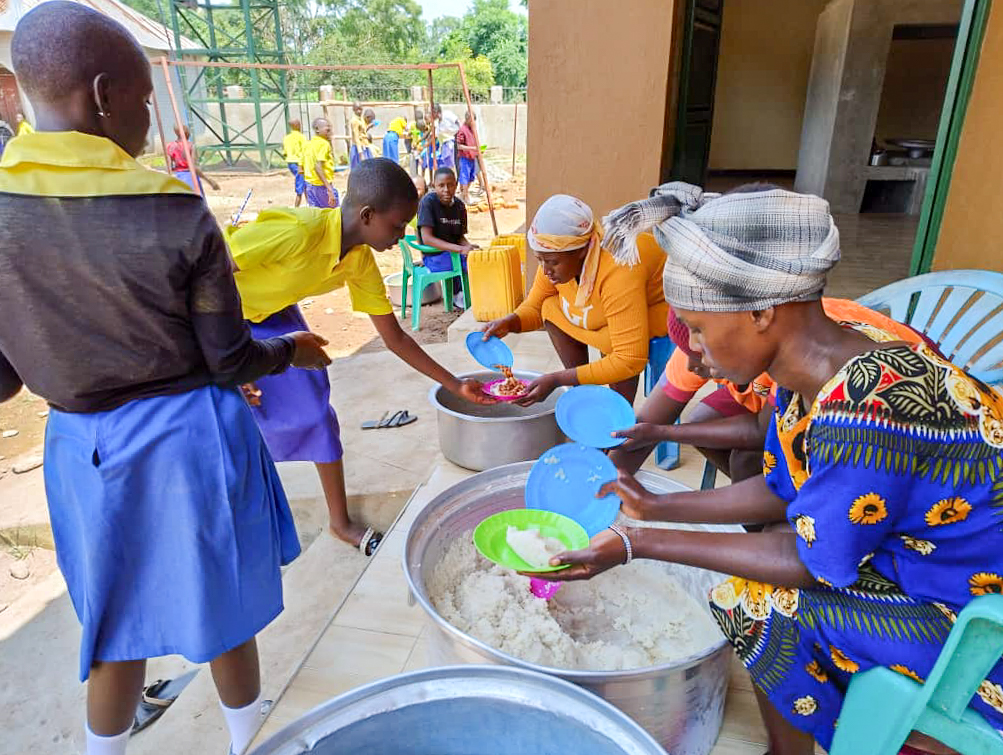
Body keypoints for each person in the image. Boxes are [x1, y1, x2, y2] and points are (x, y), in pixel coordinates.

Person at [542, 181, 1003, 755]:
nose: (697, 354)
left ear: (762, 311)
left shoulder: (869, 411)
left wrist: (638, 541)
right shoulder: (816, 369)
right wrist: (660, 505)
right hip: (924, 556)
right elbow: (785, 487)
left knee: (757, 605)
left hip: (977, 614)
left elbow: (810, 561)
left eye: (702, 330)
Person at [0, 5, 332, 755]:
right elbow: (229, 358)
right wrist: (291, 353)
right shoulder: (173, 211)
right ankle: (252, 737)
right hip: (187, 440)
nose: (148, 119)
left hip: (79, 447)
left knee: (115, 623)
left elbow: (3, 379)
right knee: (223, 604)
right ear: (103, 94)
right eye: (146, 100)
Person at [226, 158, 493, 555]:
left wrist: (454, 384)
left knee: (315, 410)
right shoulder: (300, 231)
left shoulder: (360, 260)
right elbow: (208, 271)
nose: (402, 236)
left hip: (275, 315)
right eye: (397, 225)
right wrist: (227, 362)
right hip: (220, 315)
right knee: (232, 416)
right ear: (367, 215)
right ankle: (235, 522)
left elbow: (395, 339)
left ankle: (339, 522)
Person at [611, 297, 932, 481]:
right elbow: (644, 430)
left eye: (701, 352)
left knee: (751, 462)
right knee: (707, 425)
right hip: (766, 384)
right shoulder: (696, 348)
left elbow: (759, 430)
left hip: (887, 406)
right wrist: (606, 484)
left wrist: (648, 531)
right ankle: (764, 499)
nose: (695, 366)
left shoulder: (803, 360)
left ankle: (769, 504)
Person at [482, 194, 668, 406]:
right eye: (540, 260)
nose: (545, 270)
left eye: (552, 262)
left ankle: (617, 413)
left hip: (661, 306)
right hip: (618, 302)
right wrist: (510, 322)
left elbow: (629, 360)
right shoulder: (557, 257)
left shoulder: (619, 268)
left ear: (580, 251)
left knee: (612, 343)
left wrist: (558, 379)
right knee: (550, 307)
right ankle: (584, 394)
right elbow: (535, 307)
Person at [417, 166, 477, 309]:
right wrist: (459, 249)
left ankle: (463, 295)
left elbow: (459, 236)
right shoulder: (428, 203)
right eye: (441, 185)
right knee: (469, 265)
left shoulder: (460, 206)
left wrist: (468, 247)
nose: (446, 189)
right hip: (434, 256)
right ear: (433, 185)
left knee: (477, 258)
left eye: (450, 185)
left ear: (456, 185)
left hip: (452, 253)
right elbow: (427, 239)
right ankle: (462, 296)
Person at [166, 123, 219, 195]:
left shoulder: (170, 147)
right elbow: (193, 167)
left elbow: (169, 168)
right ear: (186, 132)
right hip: (190, 179)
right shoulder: (191, 146)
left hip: (177, 178)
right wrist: (209, 181)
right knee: (196, 202)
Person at [302, 117, 338, 209]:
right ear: (317, 129)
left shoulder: (308, 144)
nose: (330, 131)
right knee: (333, 214)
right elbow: (317, 166)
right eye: (327, 128)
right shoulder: (324, 144)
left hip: (310, 185)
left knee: (316, 215)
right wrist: (329, 189)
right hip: (322, 186)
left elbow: (301, 168)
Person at [455, 110, 479, 204]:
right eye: (472, 120)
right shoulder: (462, 130)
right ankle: (466, 196)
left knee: (471, 177)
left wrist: (477, 150)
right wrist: (472, 148)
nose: (474, 122)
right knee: (464, 177)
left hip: (472, 157)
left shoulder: (472, 129)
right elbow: (459, 146)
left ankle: (463, 194)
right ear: (468, 119)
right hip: (464, 158)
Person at [283, 118, 307, 207]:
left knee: (305, 184)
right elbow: (305, 151)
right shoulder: (301, 137)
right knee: (300, 186)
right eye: (299, 124)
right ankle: (296, 209)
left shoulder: (286, 138)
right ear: (297, 126)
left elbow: (285, 153)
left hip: (290, 163)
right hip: (299, 164)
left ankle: (310, 205)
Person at [433, 103, 459, 170]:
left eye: (432, 113)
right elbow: (435, 136)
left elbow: (457, 122)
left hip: (457, 137)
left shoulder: (447, 115)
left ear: (436, 112)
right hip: (448, 143)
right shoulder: (437, 124)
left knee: (455, 162)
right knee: (449, 163)